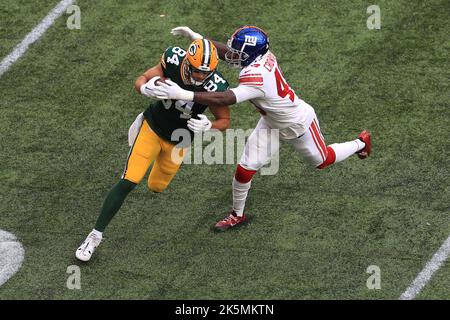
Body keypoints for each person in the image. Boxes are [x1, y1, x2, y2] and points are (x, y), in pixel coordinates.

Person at [149, 26, 372, 231]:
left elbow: (226, 98)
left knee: (321, 161)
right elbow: (227, 52)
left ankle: (361, 142)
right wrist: (198, 39)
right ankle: (237, 214)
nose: (234, 55)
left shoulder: (257, 76)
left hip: (298, 123)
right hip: (270, 122)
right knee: (245, 168)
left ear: (251, 54)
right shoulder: (261, 57)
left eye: (240, 52)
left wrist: (183, 94)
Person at [76, 39, 231, 261]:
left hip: (181, 140)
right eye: (196, 71)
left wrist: (210, 126)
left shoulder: (216, 85)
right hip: (153, 127)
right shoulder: (173, 60)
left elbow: (224, 120)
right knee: (129, 180)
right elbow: (141, 79)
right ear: (187, 62)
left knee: (157, 186)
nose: (200, 76)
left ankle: (155, 178)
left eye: (205, 72)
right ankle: (94, 235)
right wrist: (145, 88)